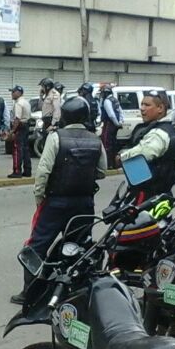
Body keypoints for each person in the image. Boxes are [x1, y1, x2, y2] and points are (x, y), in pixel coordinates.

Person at [10, 96, 107, 304]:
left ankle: (30, 293)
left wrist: (39, 198)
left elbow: (43, 173)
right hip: (84, 203)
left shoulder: (56, 138)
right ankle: (77, 290)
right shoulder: (95, 139)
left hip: (56, 202)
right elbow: (102, 171)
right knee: (79, 246)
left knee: (37, 246)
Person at [118, 89, 175, 202]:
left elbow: (140, 154)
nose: (142, 108)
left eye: (147, 105)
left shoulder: (158, 134)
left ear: (160, 108)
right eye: (142, 104)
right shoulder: (171, 129)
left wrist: (120, 158)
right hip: (161, 194)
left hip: (148, 197)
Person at [7, 85, 33, 178]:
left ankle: (17, 171)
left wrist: (12, 130)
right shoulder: (26, 102)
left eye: (13, 92)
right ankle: (27, 170)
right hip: (26, 126)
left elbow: (17, 118)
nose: (12, 94)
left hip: (20, 126)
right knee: (25, 149)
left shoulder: (18, 103)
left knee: (17, 149)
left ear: (18, 93)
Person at [98, 84, 122, 167]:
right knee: (113, 143)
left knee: (107, 143)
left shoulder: (107, 101)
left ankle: (109, 164)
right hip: (115, 125)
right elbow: (120, 111)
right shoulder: (115, 100)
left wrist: (115, 123)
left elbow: (111, 115)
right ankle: (114, 164)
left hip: (109, 124)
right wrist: (119, 123)